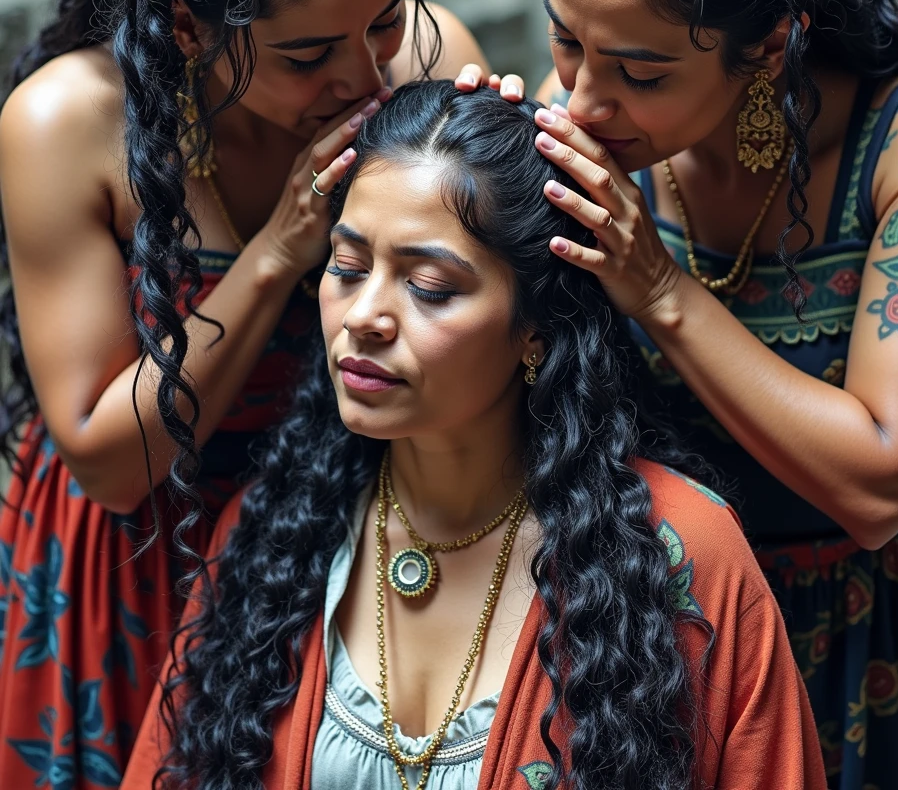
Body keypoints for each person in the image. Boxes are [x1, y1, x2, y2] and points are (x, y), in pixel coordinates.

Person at [460, 0, 898, 790]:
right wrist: (472, 195)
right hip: (653, 634)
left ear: (767, 48)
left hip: (864, 645)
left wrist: (659, 289)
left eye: (637, 70)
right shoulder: (587, 139)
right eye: (565, 44)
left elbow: (879, 483)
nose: (585, 101)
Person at [123, 79, 827, 790]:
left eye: (428, 286)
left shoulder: (683, 557)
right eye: (347, 266)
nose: (364, 315)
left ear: (536, 329)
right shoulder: (271, 534)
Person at [0, 0, 486, 784]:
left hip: (340, 542)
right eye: (309, 53)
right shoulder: (70, 125)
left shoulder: (428, 61)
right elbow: (107, 459)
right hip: (142, 561)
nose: (364, 77)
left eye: (385, 21)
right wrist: (276, 254)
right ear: (187, 26)